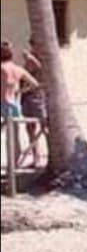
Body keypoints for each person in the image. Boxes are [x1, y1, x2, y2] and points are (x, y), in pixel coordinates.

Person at [1, 40, 39, 170]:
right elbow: (35, 84)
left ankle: (12, 168)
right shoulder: (18, 69)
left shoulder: (2, 69)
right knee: (14, 137)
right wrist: (20, 91)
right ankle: (13, 165)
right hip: (13, 103)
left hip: (2, 103)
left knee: (9, 137)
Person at [21, 39, 48, 168]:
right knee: (30, 128)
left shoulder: (43, 57)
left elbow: (43, 71)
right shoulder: (30, 58)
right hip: (27, 96)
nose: (33, 46)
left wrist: (32, 59)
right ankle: (36, 157)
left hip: (38, 96)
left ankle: (51, 157)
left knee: (45, 126)